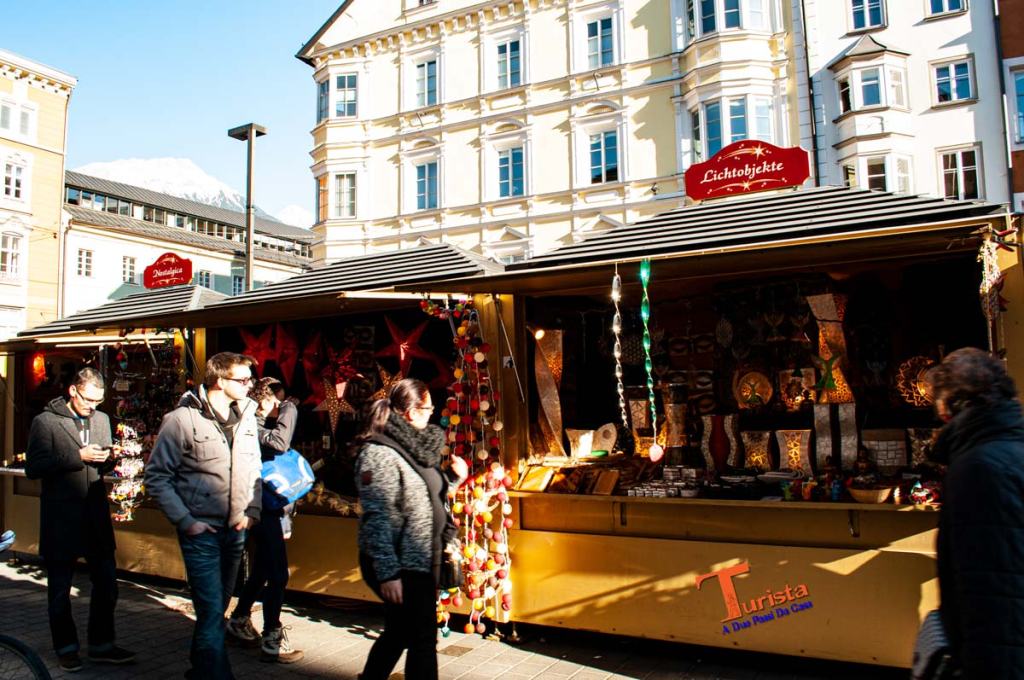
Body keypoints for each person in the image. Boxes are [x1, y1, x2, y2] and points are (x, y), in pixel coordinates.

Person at [145, 352, 262, 680]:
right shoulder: (181, 420)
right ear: (219, 381)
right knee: (211, 612)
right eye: (242, 379)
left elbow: (254, 466)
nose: (249, 385)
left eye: (250, 379)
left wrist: (252, 510)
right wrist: (186, 521)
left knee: (216, 609)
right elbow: (156, 476)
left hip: (235, 529)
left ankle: (200, 670)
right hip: (201, 531)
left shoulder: (247, 416)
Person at [355, 378, 467, 680]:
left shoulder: (419, 448)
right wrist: (388, 573)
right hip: (402, 561)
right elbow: (377, 516)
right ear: (411, 412)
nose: (432, 413)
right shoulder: (379, 453)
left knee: (400, 632)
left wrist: (454, 479)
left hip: (423, 556)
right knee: (421, 637)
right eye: (428, 408)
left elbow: (427, 496)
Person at [25, 367, 136, 672]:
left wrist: (110, 457)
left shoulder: (101, 419)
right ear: (73, 390)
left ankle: (102, 645)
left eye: (99, 401)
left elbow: (101, 464)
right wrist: (79, 457)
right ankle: (66, 648)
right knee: (60, 588)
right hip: (61, 517)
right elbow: (34, 467)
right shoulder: (46, 421)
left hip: (95, 515)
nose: (93, 406)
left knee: (107, 583)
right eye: (88, 400)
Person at [929, 347, 1024, 678]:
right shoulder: (1012, 450)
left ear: (951, 407)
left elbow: (984, 589)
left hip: (1000, 655)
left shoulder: (977, 468)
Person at [226, 377, 303, 663]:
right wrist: (290, 409)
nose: (279, 408)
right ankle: (272, 637)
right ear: (265, 400)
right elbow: (280, 443)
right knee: (278, 573)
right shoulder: (251, 426)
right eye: (276, 402)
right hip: (259, 509)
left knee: (261, 569)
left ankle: (239, 618)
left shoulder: (258, 424)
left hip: (266, 508)